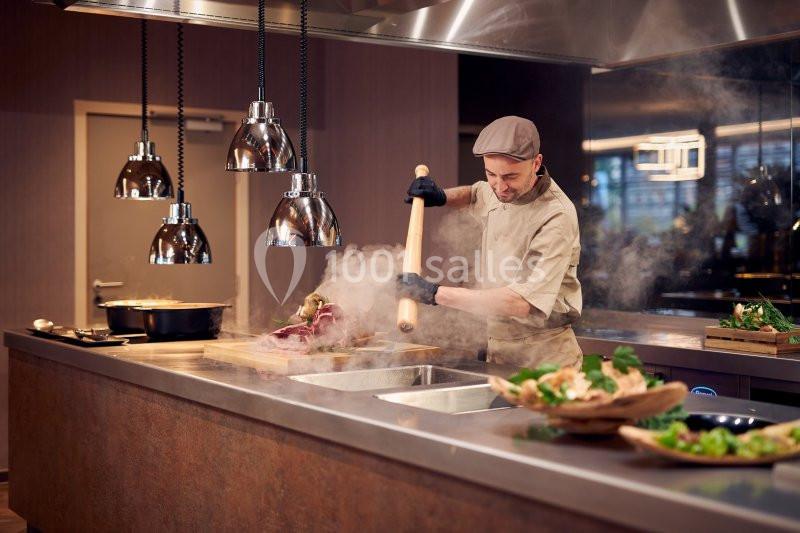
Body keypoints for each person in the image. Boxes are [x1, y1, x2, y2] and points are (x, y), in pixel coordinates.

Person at [396, 116, 582, 368]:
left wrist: (434, 293)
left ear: (536, 163)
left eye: (510, 176)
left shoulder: (555, 216)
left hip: (545, 356)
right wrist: (440, 197)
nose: (500, 186)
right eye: (491, 173)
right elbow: (475, 194)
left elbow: (521, 302)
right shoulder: (498, 189)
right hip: (499, 348)